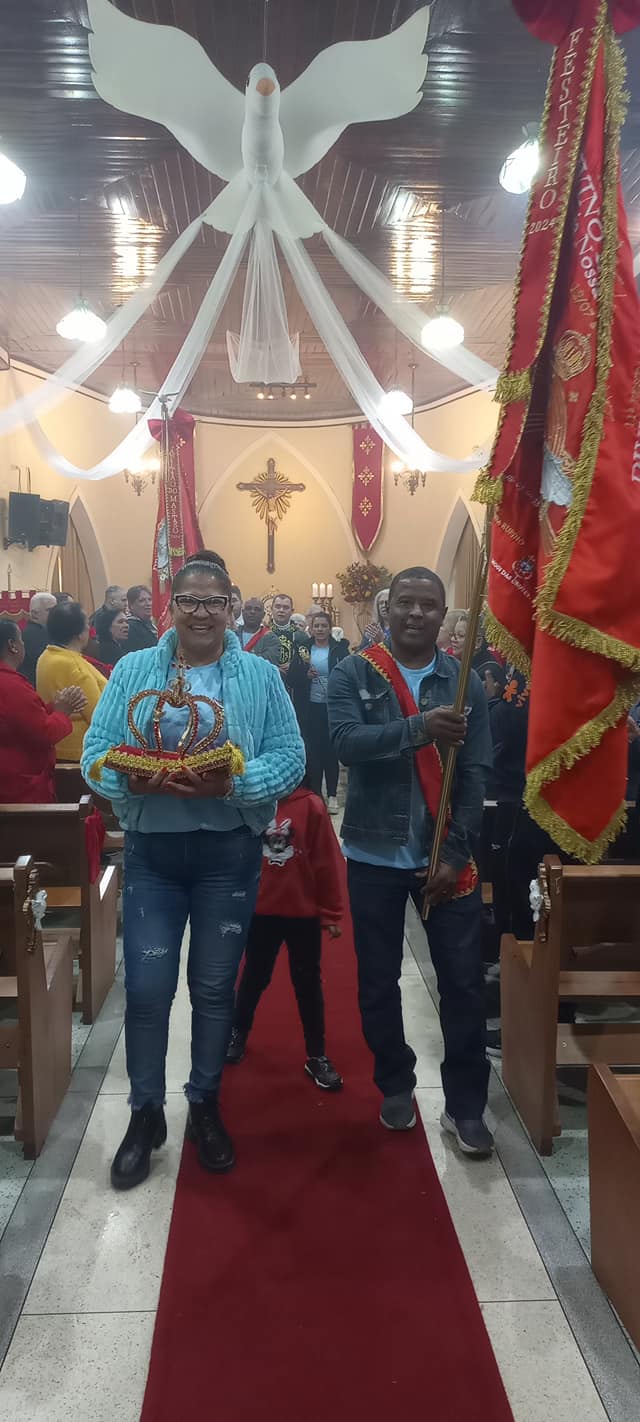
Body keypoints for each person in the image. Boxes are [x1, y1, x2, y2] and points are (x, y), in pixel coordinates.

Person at [81, 556, 305, 1189]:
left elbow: (292, 756)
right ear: (170, 606)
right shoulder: (133, 670)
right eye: (189, 601)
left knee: (211, 989)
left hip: (226, 856)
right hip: (153, 856)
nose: (201, 613)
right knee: (148, 989)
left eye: (213, 602)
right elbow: (95, 754)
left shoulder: (260, 675)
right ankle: (145, 1112)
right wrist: (128, 778)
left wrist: (233, 784)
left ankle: (204, 1102)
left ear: (231, 607)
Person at [328, 566, 494, 1156]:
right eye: (405, 602)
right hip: (373, 853)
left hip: (443, 855)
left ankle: (465, 1106)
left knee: (464, 984)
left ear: (444, 614)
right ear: (387, 608)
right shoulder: (355, 672)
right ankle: (395, 1082)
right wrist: (418, 728)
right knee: (378, 980)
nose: (416, 613)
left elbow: (476, 773)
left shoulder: (463, 681)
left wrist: (455, 852)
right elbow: (344, 744)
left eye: (429, 604)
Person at [227, 774, 344, 1091]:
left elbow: (326, 861)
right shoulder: (250, 802)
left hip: (302, 913)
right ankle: (237, 1032)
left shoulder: (311, 806)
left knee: (308, 983)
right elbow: (235, 857)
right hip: (260, 911)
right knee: (253, 976)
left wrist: (331, 912)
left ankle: (317, 1054)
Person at [0, 619, 87, 803]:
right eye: (21, 640)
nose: (23, 644)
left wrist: (54, 707)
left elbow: (20, 721)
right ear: (12, 645)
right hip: (19, 791)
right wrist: (62, 712)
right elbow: (45, 734)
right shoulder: (11, 686)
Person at [36, 602, 107, 762]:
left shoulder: (47, 655)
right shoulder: (72, 665)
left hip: (58, 746)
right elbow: (98, 714)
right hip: (78, 751)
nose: (89, 628)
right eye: (87, 624)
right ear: (79, 634)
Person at [305, 610, 350, 814]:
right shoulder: (303, 648)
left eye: (324, 626)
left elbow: (348, 674)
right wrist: (305, 674)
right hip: (311, 707)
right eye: (317, 626)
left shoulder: (340, 648)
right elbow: (293, 677)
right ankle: (316, 794)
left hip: (333, 706)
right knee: (314, 752)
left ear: (330, 628)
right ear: (311, 628)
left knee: (330, 751)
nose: (320, 629)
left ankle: (332, 794)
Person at [270, 592, 311, 730]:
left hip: (295, 689)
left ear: (292, 611)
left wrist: (293, 666)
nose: (281, 610)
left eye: (285, 607)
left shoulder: (300, 635)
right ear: (271, 609)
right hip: (268, 684)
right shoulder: (263, 632)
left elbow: (308, 661)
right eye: (278, 606)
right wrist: (274, 668)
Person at [21, 591, 56, 686]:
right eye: (50, 610)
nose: (56, 614)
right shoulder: (33, 634)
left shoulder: (45, 630)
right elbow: (48, 664)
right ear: (34, 613)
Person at [237, 597, 282, 665]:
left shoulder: (271, 639)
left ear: (263, 615)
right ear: (242, 612)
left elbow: (267, 663)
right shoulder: (232, 635)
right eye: (249, 608)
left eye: (257, 609)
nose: (252, 612)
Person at [127, 585, 157, 653]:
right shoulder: (130, 627)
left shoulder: (150, 624)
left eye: (150, 599)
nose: (148, 603)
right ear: (131, 605)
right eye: (142, 601)